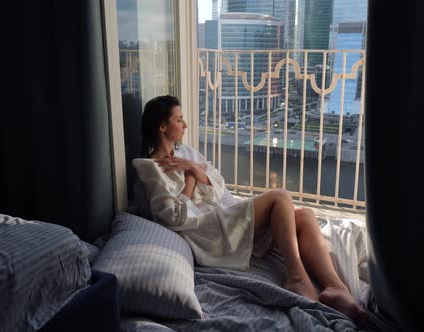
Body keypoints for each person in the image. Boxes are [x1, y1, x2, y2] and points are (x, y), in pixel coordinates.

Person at [132, 95, 367, 325]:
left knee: (305, 215)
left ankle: (335, 286)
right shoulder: (151, 168)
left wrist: (192, 167)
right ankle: (297, 277)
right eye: (179, 120)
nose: (186, 125)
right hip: (205, 230)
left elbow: (218, 184)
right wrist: (191, 178)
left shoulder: (187, 154)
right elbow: (172, 218)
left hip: (221, 215)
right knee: (280, 196)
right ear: (163, 126)